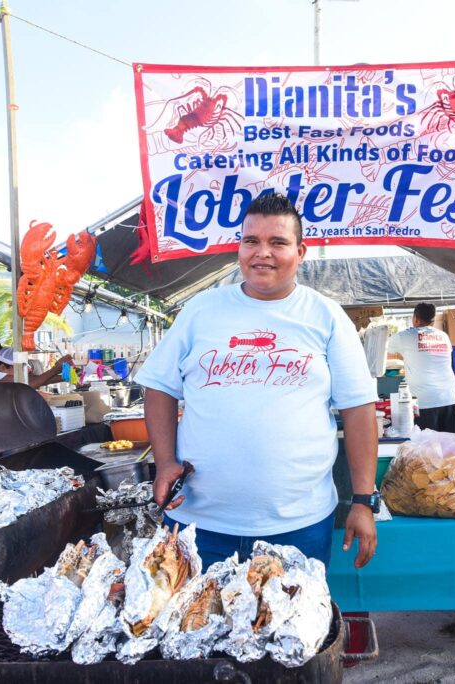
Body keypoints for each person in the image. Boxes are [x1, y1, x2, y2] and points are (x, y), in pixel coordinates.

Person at [136, 193, 379, 570]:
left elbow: (359, 408)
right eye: (251, 241)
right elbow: (160, 387)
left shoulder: (325, 316)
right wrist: (165, 460)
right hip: (200, 522)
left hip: (299, 524)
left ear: (301, 252)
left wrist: (363, 501)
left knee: (292, 629)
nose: (261, 253)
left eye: (277, 242)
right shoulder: (201, 310)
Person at [387, 302, 455, 434]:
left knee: (426, 449)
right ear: (433, 320)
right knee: (452, 446)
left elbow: (384, 351)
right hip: (448, 397)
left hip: (425, 401)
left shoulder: (405, 336)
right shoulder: (444, 336)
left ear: (416, 318)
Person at [0, 344, 73, 389]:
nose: (28, 370)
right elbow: (27, 386)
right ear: (3, 368)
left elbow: (39, 379)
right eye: (20, 367)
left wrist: (67, 376)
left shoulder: (16, 378)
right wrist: (55, 370)